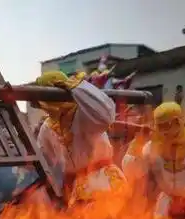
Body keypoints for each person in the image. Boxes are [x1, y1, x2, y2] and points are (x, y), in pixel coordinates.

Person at [22, 70, 125, 206]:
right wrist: (56, 192)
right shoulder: (47, 127)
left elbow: (107, 115)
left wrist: (77, 86)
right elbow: (46, 163)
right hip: (77, 190)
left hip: (104, 182)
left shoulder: (85, 112)